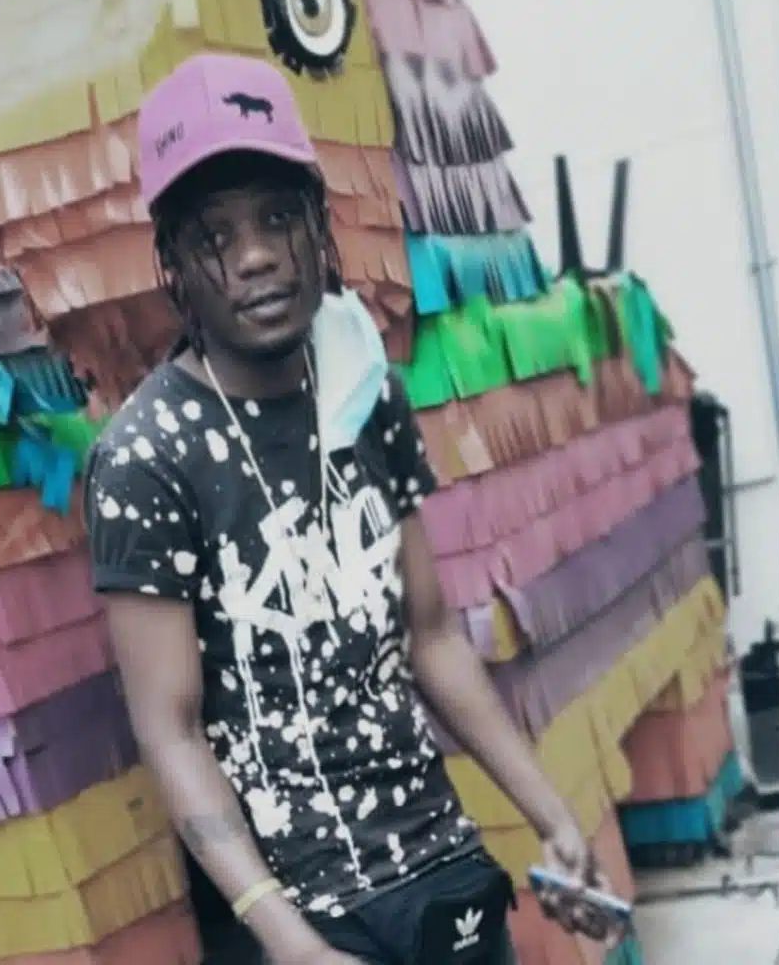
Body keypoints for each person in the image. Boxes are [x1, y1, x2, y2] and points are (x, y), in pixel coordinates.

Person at [83, 52, 617, 965]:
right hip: (299, 912)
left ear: (316, 225)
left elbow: (431, 635)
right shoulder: (147, 457)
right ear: (173, 263)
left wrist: (553, 817)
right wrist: (291, 943)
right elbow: (169, 730)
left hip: (440, 866)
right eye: (215, 235)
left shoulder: (365, 392)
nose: (256, 255)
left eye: (277, 218)